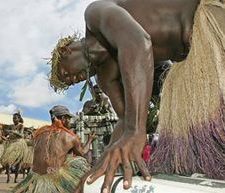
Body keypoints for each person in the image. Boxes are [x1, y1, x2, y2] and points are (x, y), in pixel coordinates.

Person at [48, 0, 225, 192]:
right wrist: (98, 168)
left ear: (65, 51)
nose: (73, 79)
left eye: (67, 74)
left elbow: (137, 42)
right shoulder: (105, 77)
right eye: (70, 82)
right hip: (191, 60)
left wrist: (135, 130)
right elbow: (126, 119)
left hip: (208, 24)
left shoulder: (94, 15)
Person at [13, 105, 95, 193]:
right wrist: (90, 140)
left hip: (35, 177)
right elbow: (82, 153)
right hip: (54, 177)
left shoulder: (39, 134)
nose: (70, 122)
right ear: (63, 119)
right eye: (68, 119)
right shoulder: (70, 137)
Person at [1, 112, 28, 183]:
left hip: (19, 144)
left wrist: (13, 131)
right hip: (11, 143)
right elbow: (9, 135)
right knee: (6, 160)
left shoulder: (21, 125)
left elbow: (21, 135)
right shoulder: (11, 126)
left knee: (18, 163)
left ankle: (16, 178)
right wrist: (5, 137)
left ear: (19, 119)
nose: (14, 119)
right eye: (13, 118)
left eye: (15, 118)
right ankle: (8, 177)